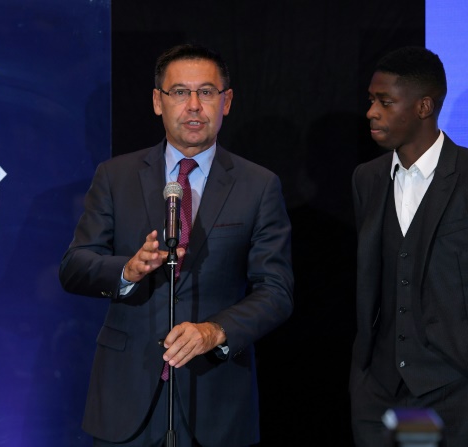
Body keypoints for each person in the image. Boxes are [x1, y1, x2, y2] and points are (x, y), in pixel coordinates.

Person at [59, 44, 294, 446]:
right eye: (180, 92)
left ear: (226, 101)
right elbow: (75, 266)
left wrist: (216, 331)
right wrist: (126, 271)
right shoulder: (116, 176)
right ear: (158, 101)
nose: (194, 106)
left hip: (215, 396)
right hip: (126, 396)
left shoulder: (258, 185)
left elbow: (276, 291)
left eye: (206, 92)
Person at [349, 46, 468, 446]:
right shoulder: (367, 179)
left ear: (423, 107)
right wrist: (362, 385)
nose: (371, 112)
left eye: (385, 102)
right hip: (379, 402)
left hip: (459, 404)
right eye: (371, 100)